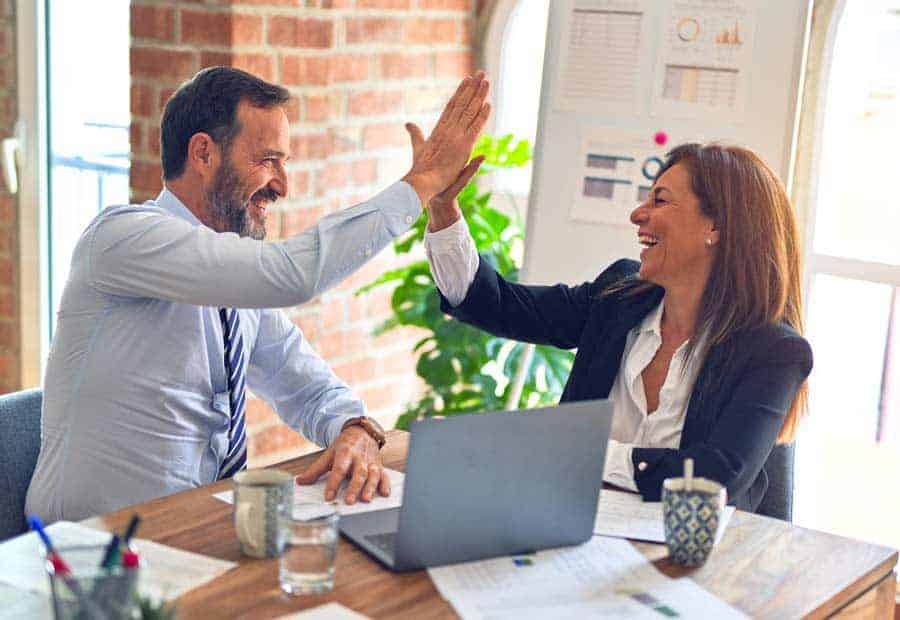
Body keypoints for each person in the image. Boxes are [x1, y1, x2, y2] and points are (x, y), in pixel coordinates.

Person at [26, 66, 490, 522]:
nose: (282, 185)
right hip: (86, 553)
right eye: (268, 159)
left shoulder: (233, 283)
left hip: (193, 532)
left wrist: (354, 428)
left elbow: (306, 386)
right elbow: (293, 275)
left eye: (284, 163)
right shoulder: (123, 238)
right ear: (204, 153)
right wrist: (424, 181)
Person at [423, 142, 812, 511]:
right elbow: (498, 305)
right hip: (571, 529)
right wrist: (443, 210)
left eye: (659, 200)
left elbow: (714, 478)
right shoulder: (619, 298)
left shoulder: (773, 352)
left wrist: (579, 452)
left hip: (692, 559)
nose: (637, 214)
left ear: (716, 227)